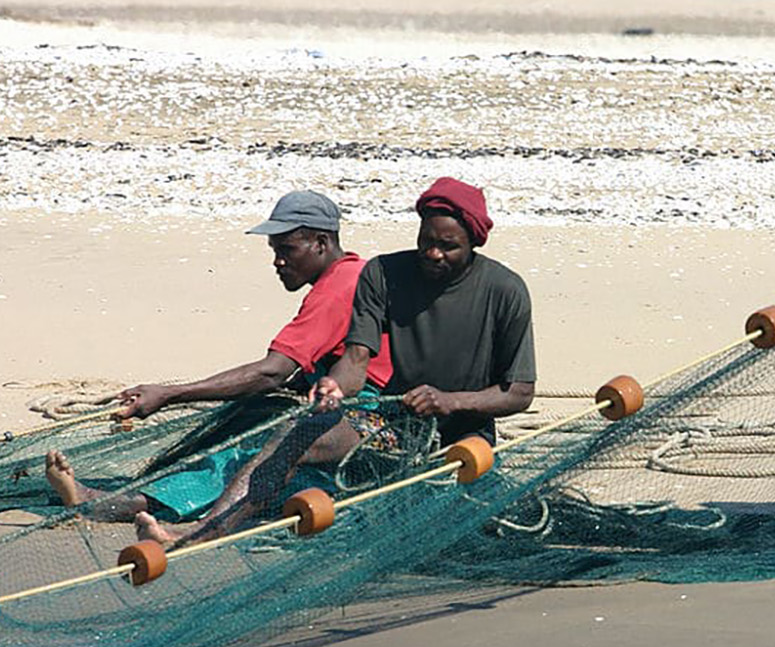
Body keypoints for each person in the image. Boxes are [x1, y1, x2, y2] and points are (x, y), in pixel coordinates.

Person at [134, 177, 536, 544]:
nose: (433, 253)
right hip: (392, 423)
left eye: (448, 246)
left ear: (473, 243)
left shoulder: (505, 291)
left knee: (469, 527)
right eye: (426, 241)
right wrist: (335, 385)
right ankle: (204, 532)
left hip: (463, 435)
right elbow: (357, 357)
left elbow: (518, 393)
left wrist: (451, 401)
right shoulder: (383, 273)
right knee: (296, 434)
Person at [45, 189, 391, 521]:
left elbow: (272, 371)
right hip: (343, 404)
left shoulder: (338, 288)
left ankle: (129, 506)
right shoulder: (350, 276)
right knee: (247, 432)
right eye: (273, 250)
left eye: (287, 248)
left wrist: (169, 394)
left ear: (321, 242)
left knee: (243, 451)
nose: (278, 261)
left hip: (370, 416)